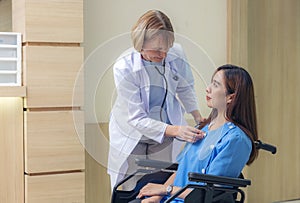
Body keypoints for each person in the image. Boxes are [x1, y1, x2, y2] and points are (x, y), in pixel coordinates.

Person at [108, 9, 205, 190]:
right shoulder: (124, 67)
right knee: (132, 188)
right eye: (158, 49)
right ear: (141, 43)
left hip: (165, 134)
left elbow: (185, 86)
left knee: (160, 185)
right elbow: (136, 118)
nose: (164, 55)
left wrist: (198, 116)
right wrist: (176, 130)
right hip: (132, 134)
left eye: (167, 48)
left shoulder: (176, 54)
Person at [135, 64, 259, 203]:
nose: (208, 88)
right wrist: (157, 197)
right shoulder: (204, 129)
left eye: (216, 85)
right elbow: (180, 171)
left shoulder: (236, 140)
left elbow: (209, 192)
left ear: (231, 97)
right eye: (211, 82)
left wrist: (165, 190)